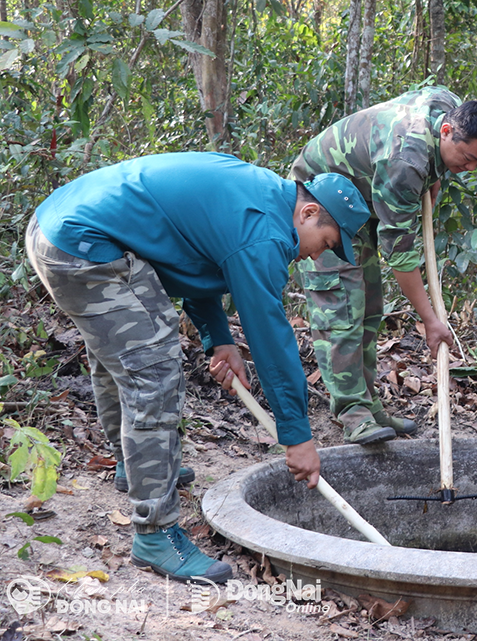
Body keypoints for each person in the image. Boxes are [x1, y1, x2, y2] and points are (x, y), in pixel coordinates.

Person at [25, 152, 370, 583]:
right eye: (328, 242)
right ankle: (156, 534)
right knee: (153, 373)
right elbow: (270, 337)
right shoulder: (264, 234)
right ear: (310, 211)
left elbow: (193, 257)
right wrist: (296, 434)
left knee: (125, 355)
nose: (318, 256)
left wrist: (220, 340)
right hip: (83, 246)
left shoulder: (259, 195)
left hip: (55, 227)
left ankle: (134, 468)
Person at [288, 86, 477, 445]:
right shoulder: (406, 162)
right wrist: (431, 320)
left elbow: (430, 93)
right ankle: (352, 413)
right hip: (319, 206)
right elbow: (402, 258)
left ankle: (369, 404)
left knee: (370, 307)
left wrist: (435, 177)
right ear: (447, 131)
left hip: (365, 203)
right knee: (341, 310)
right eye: (466, 158)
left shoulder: (449, 107)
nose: (468, 168)